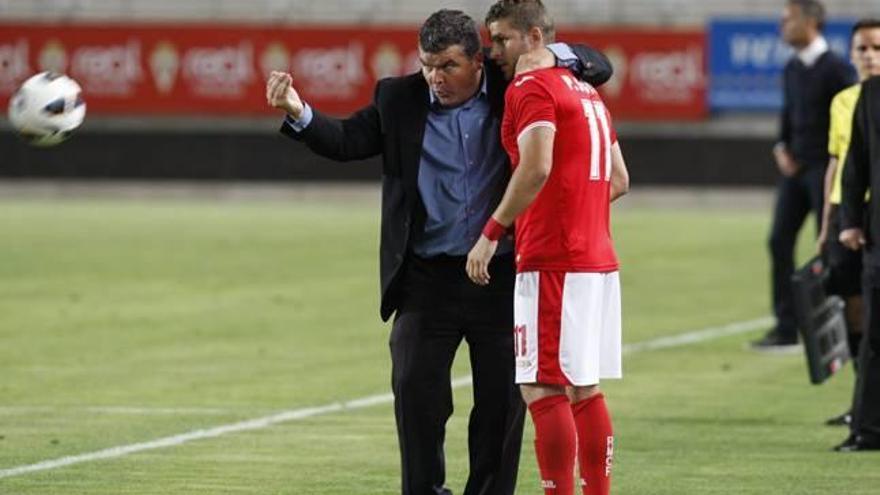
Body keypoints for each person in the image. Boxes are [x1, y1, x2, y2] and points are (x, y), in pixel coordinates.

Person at [266, 9, 613, 494]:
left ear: (477, 61)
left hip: (498, 272)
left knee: (501, 404)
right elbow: (346, 141)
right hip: (427, 277)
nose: (435, 77)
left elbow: (598, 65)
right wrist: (297, 110)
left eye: (447, 65)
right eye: (427, 64)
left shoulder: (513, 80)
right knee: (414, 391)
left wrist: (544, 54)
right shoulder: (398, 97)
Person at [467, 1, 629, 493]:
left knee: (539, 385)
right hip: (597, 257)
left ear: (535, 37)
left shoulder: (531, 86)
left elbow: (535, 166)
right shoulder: (588, 92)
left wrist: (491, 233)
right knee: (583, 386)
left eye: (502, 40)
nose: (494, 51)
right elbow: (619, 180)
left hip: (554, 258)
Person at [754, 0, 857, 350]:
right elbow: (787, 114)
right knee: (778, 240)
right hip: (795, 172)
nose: (782, 25)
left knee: (828, 247)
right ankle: (786, 327)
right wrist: (781, 145)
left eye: (788, 19)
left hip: (824, 170)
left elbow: (848, 123)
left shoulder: (838, 69)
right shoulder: (793, 68)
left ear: (810, 22)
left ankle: (842, 327)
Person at [817, 19, 880, 427]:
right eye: (863, 49)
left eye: (876, 48)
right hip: (847, 213)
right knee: (854, 312)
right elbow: (837, 164)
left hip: (873, 214)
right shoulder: (844, 100)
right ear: (852, 53)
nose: (870, 56)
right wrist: (827, 223)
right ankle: (864, 401)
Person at [837, 46, 880, 454]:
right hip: (877, 237)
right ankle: (868, 430)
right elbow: (856, 165)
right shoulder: (871, 95)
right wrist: (850, 220)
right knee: (874, 336)